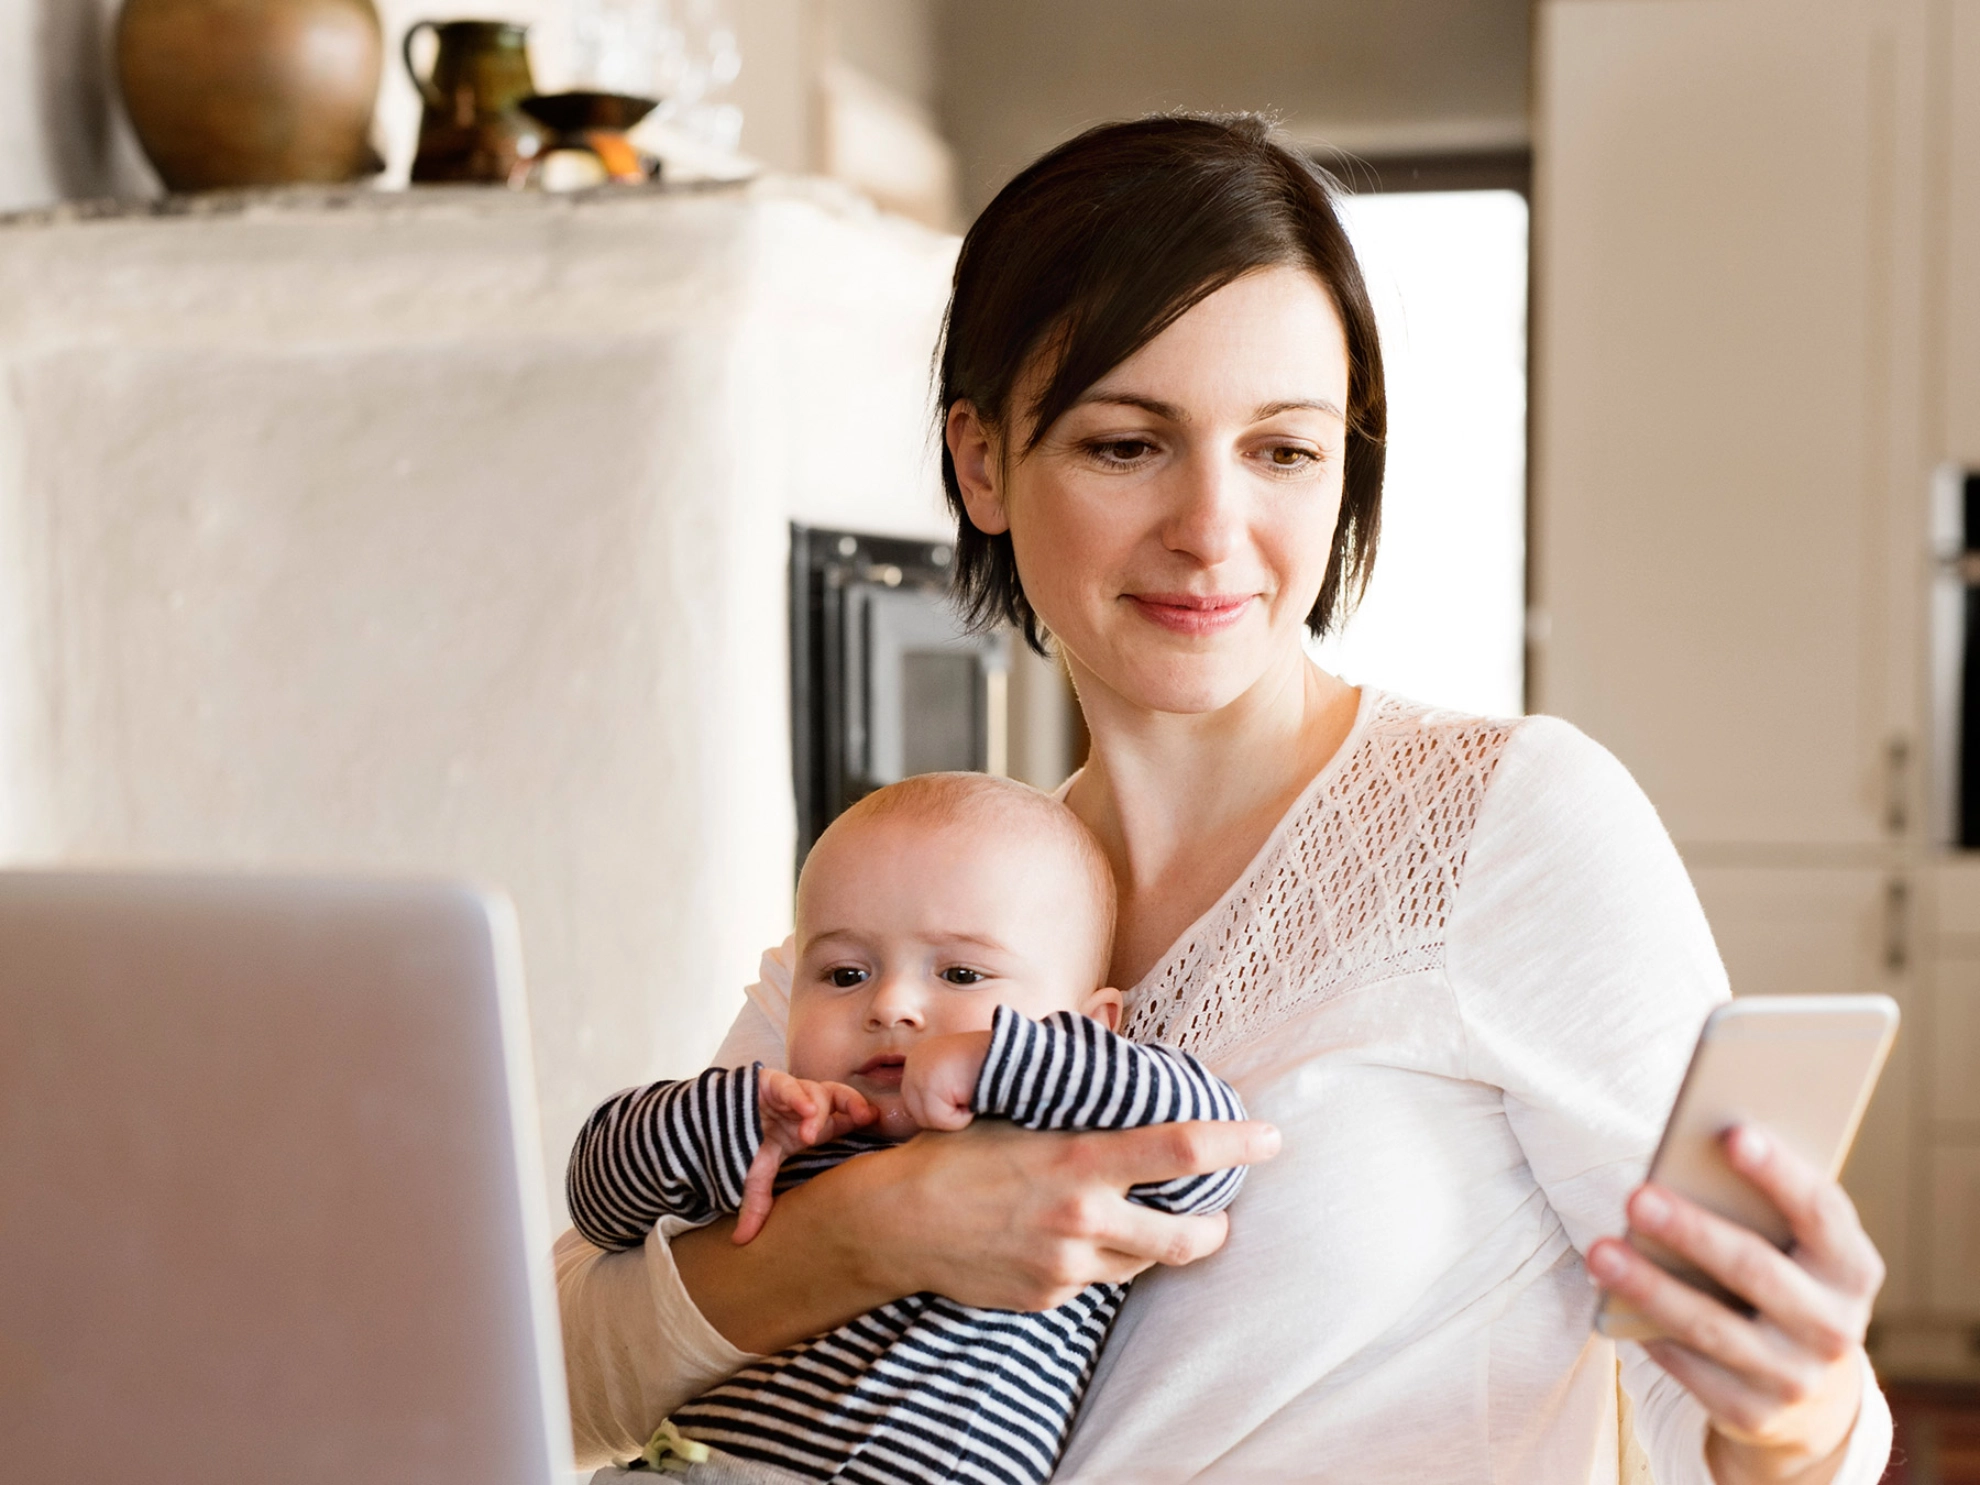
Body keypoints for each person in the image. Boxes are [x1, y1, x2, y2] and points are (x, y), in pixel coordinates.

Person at [554, 114, 1894, 1483]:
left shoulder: (1509, 823)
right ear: (982, 462)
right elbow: (559, 1369)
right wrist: (880, 1229)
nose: (1210, 529)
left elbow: (1744, 1424)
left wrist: (1799, 1414)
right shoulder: (917, 902)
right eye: (1127, 444)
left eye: (1284, 451)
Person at [564, 772, 1246, 1483]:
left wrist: (1000, 1061)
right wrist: (734, 1116)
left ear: (1091, 1026)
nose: (891, 1004)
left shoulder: (1076, 1147)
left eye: (960, 974)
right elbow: (599, 1201)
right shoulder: (788, 1132)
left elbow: (1208, 1150)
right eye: (844, 974)